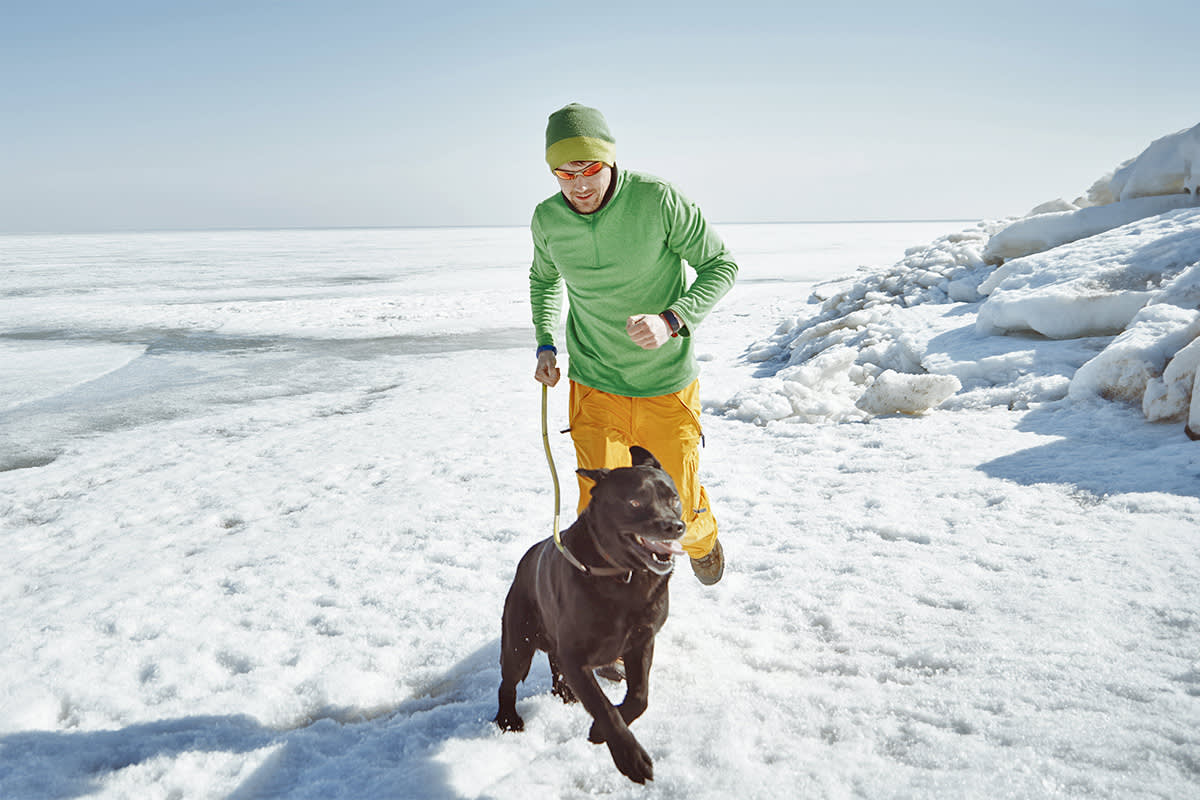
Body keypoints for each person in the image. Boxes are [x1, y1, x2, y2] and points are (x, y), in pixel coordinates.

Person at [529, 102, 738, 585]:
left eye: (590, 169)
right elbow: (544, 280)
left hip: (665, 384)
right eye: (565, 173)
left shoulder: (657, 200)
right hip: (595, 383)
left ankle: (702, 537)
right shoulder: (547, 219)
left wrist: (672, 319)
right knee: (599, 511)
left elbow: (721, 265)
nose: (579, 185)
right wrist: (546, 344)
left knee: (677, 509)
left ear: (609, 160)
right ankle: (613, 614)